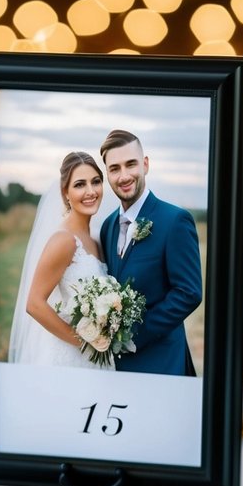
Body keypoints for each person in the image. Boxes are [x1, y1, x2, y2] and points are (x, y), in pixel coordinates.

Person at [99, 128, 203, 376]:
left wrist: (132, 335)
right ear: (107, 174)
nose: (124, 176)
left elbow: (189, 293)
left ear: (145, 165)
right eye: (114, 168)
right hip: (118, 369)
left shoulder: (175, 220)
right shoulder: (107, 226)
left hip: (163, 363)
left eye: (130, 164)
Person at [8, 151, 109, 368]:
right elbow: (34, 304)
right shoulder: (64, 240)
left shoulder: (95, 238)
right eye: (80, 185)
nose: (91, 191)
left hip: (98, 354)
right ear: (65, 193)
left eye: (96, 182)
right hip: (71, 358)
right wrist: (83, 342)